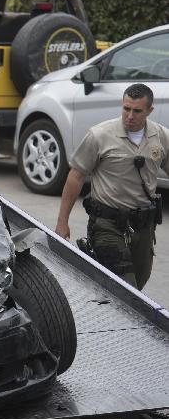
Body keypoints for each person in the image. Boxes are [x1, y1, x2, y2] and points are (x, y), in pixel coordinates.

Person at [56, 83, 169, 290]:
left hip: (143, 227)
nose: (130, 116)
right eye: (126, 108)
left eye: (137, 111)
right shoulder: (99, 135)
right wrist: (62, 222)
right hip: (107, 225)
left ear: (149, 111)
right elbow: (76, 175)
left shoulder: (161, 136)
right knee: (124, 289)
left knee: (138, 287)